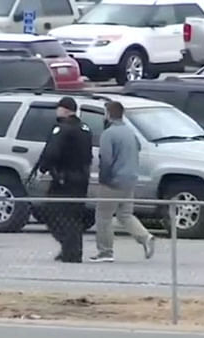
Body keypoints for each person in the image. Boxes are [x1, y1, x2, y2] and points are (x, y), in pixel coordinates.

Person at [89, 101, 154, 263]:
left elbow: (106, 159)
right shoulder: (129, 132)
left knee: (103, 216)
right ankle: (145, 237)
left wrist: (104, 179)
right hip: (130, 178)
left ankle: (105, 251)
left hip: (113, 181)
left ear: (109, 114)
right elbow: (138, 148)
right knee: (125, 214)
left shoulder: (109, 134)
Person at [36, 96, 93, 263]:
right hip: (82, 178)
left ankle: (70, 250)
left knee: (53, 213)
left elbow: (52, 152)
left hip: (64, 179)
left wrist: (43, 167)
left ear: (65, 110)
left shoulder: (62, 128)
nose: (57, 111)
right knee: (74, 216)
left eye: (59, 108)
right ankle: (72, 249)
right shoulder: (85, 128)